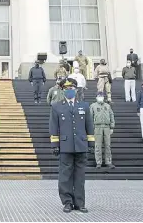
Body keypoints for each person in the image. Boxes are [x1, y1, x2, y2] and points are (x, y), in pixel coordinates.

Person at [49, 78, 93, 213]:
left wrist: (91, 143)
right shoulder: (56, 106)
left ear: (76, 90)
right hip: (65, 145)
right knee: (65, 175)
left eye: (72, 88)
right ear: (63, 90)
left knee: (80, 176)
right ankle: (67, 202)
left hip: (81, 145)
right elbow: (53, 126)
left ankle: (80, 203)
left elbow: (89, 126)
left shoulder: (84, 106)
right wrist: (55, 144)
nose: (70, 91)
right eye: (67, 89)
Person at [90, 92, 115, 169]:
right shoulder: (93, 106)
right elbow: (90, 117)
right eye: (99, 96)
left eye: (102, 96)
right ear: (96, 97)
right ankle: (98, 162)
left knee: (108, 145)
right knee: (98, 145)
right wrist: (91, 129)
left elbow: (111, 115)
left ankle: (108, 162)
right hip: (97, 127)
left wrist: (112, 127)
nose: (100, 97)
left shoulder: (107, 106)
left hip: (106, 127)